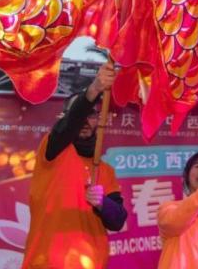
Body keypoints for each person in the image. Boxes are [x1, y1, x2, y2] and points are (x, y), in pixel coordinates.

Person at [22, 61, 128, 268]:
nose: (85, 121)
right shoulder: (53, 150)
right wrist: (94, 89)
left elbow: (118, 221)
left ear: (99, 120)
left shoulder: (105, 170)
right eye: (80, 114)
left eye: (92, 115)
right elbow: (70, 125)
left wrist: (103, 204)